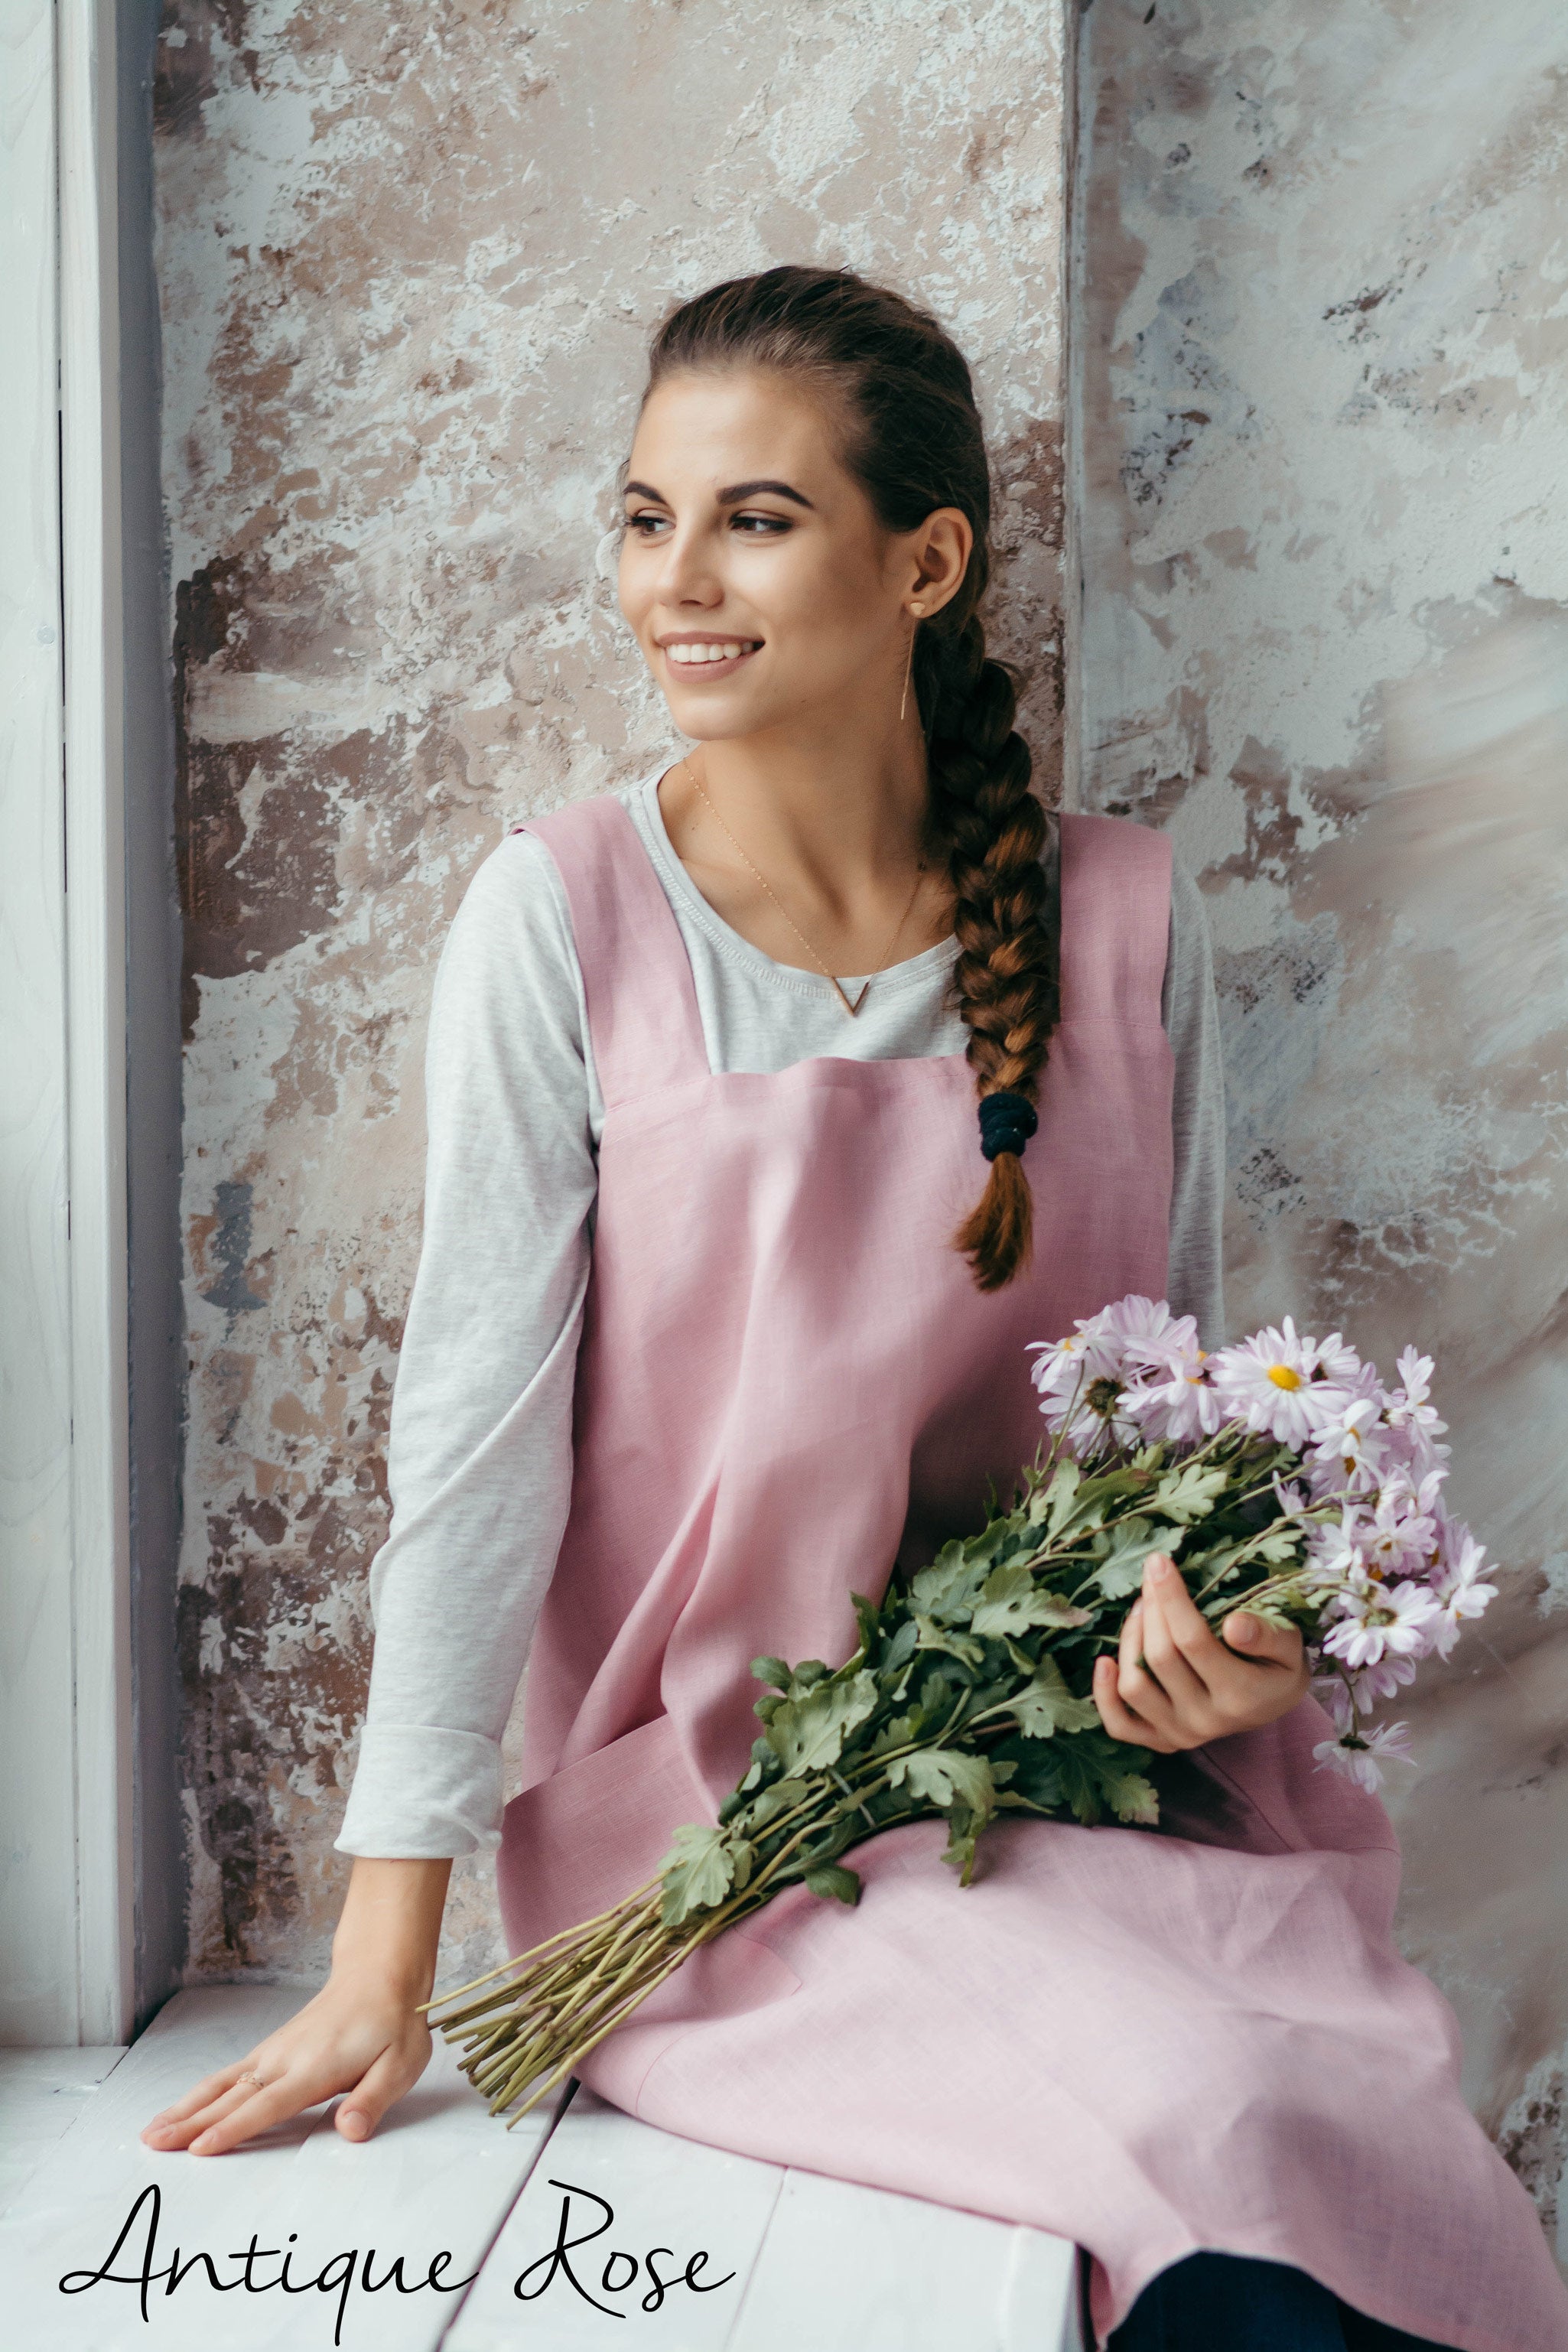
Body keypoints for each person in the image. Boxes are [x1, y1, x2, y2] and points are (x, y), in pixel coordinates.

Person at [142, 267, 1567, 2352]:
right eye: (643, 517)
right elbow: (473, 1450)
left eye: (753, 517)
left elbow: (1170, 1421)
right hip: (722, 1830)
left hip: (1079, 1782)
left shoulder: (1119, 917)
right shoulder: (561, 923)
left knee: (1323, 2126)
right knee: (1212, 2126)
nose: (673, 582)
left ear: (927, 560)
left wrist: (1235, 1638)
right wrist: (386, 1949)